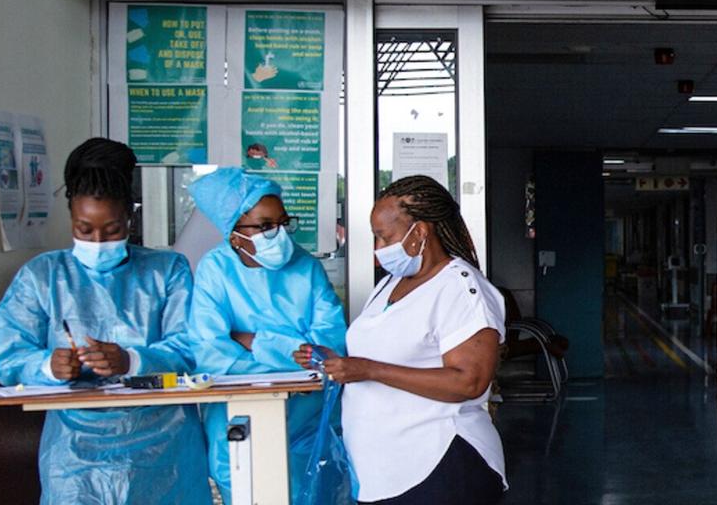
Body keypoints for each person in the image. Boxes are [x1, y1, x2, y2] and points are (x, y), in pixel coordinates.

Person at [0, 138, 210, 504]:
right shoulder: (43, 276)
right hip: (73, 453)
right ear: (71, 218)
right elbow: (7, 357)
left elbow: (191, 346)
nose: (97, 240)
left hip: (163, 446)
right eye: (84, 230)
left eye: (111, 231)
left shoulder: (166, 271)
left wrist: (131, 360)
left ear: (130, 218)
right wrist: (48, 365)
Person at [297, 175, 507, 505]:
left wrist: (368, 370)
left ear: (420, 232)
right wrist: (334, 360)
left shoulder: (461, 289)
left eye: (384, 237)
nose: (378, 250)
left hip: (440, 466)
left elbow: (470, 382)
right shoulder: (390, 285)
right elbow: (381, 352)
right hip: (384, 471)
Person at [186, 167, 348, 500]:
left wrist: (255, 341)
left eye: (282, 223)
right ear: (234, 233)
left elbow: (330, 347)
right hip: (239, 419)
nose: (279, 234)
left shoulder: (306, 267)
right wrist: (292, 353)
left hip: (309, 423)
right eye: (264, 226)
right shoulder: (215, 271)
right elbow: (210, 353)